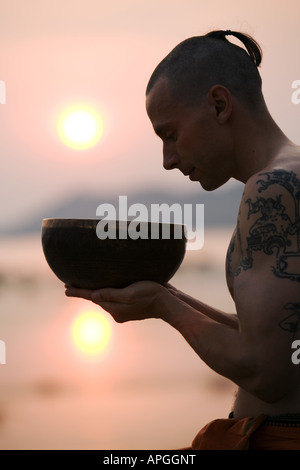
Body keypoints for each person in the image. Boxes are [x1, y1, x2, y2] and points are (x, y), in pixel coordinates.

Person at [65, 30, 300, 449]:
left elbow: (267, 373)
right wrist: (164, 294)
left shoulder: (273, 188)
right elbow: (272, 343)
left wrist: (163, 306)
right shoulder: (289, 175)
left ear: (219, 105)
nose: (168, 160)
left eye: (170, 135)